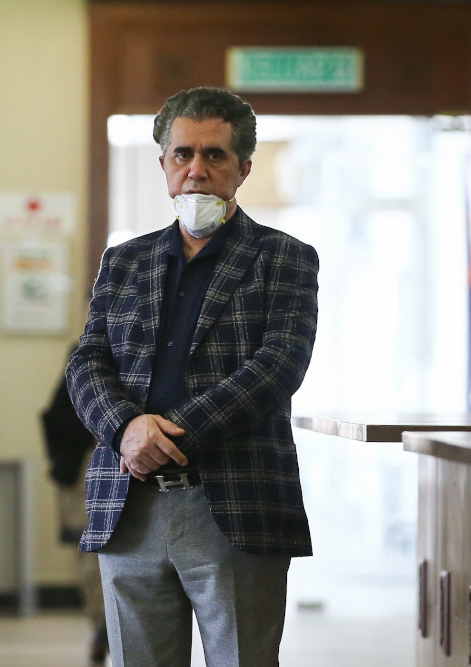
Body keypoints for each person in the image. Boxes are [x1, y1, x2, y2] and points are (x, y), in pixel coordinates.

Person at [66, 86, 319, 667]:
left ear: (243, 169)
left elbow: (279, 364)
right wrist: (128, 429)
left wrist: (166, 435)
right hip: (128, 505)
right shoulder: (124, 260)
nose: (196, 170)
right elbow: (87, 361)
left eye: (214, 156)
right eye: (182, 155)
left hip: (232, 501)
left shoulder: (285, 257)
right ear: (163, 164)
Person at [40, 347, 108, 664]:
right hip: (87, 465)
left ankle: (107, 628)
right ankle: (103, 628)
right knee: (91, 554)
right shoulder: (85, 353)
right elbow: (56, 417)